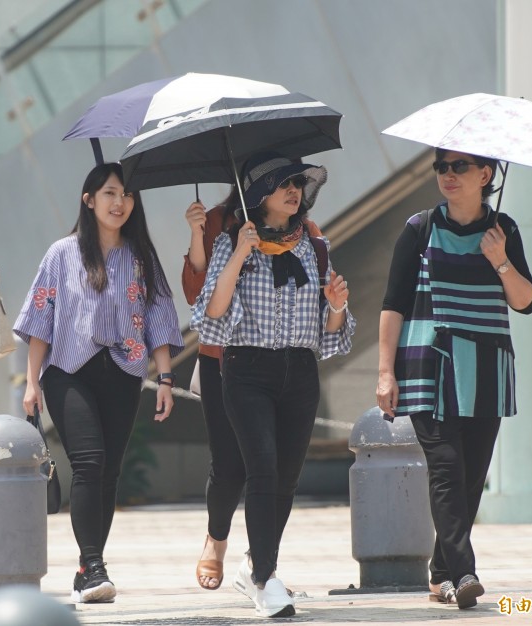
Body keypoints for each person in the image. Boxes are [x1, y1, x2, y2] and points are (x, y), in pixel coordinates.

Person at [190, 152, 355, 618]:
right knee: (260, 468)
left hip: (301, 372)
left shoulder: (313, 246)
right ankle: (264, 577)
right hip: (246, 370)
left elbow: (330, 332)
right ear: (259, 194)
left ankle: (258, 567)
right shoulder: (231, 243)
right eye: (283, 183)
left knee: (285, 479)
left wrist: (337, 304)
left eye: (298, 183)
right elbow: (212, 317)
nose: (293, 190)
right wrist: (241, 253)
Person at [14, 162, 183, 604]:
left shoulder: (141, 256)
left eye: (126, 195)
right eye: (109, 193)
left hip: (125, 372)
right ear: (88, 200)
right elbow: (39, 323)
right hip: (68, 372)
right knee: (89, 463)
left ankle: (90, 565)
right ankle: (93, 567)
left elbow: (160, 316)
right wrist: (31, 384)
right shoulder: (61, 253)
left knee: (109, 472)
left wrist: (165, 378)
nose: (119, 202)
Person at [376, 149, 532, 609]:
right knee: (446, 468)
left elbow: (526, 301)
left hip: (487, 369)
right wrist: (385, 372)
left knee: (470, 479)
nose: (447, 175)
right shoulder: (419, 228)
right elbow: (393, 304)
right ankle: (464, 572)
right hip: (429, 366)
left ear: (486, 174)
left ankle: (439, 574)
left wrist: (501, 259)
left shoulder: (503, 231)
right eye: (441, 167)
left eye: (459, 166)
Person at [182, 186, 324, 592]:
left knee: (276, 469)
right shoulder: (218, 221)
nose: (293, 188)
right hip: (221, 356)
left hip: (288, 362)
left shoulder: (306, 234)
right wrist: (198, 236)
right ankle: (217, 538)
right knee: (230, 465)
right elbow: (198, 295)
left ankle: (259, 564)